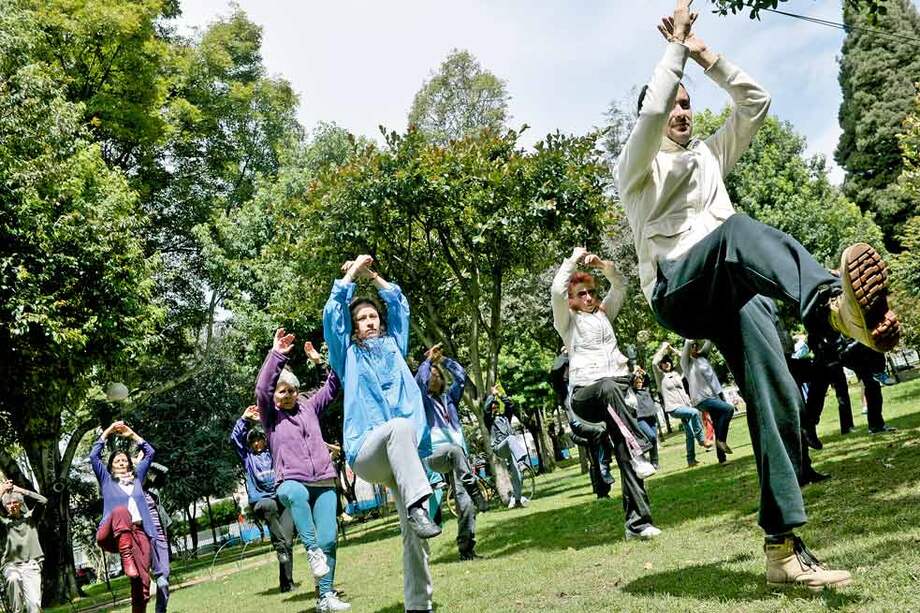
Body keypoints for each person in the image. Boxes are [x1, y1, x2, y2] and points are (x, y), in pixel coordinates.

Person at [617, 0, 899, 588]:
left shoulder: (709, 158)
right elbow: (647, 115)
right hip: (679, 290)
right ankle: (831, 306)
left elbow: (755, 102)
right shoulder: (638, 170)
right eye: (674, 102)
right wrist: (673, 54)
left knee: (778, 396)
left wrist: (704, 56)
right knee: (737, 231)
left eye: (688, 103)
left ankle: (782, 549)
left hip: (735, 284)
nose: (681, 111)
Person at [324, 254, 439, 613]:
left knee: (414, 537)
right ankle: (421, 503)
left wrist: (372, 276)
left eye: (373, 316)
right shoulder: (347, 356)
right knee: (399, 426)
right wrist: (352, 274)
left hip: (404, 456)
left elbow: (399, 304)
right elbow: (332, 315)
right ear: (354, 327)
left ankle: (419, 605)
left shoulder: (394, 346)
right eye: (362, 318)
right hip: (368, 453)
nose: (370, 322)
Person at [551, 247, 660, 540]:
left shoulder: (604, 315)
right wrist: (573, 260)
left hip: (617, 397)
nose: (588, 297)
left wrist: (601, 265)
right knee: (610, 389)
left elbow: (621, 284)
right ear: (572, 300)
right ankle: (641, 443)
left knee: (626, 456)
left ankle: (638, 525)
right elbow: (556, 291)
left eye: (591, 292)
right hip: (587, 394)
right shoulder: (567, 323)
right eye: (581, 294)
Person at [255, 331, 351, 612]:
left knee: (330, 539)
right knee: (295, 494)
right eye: (281, 391)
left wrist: (320, 361)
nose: (287, 395)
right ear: (274, 396)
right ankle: (311, 551)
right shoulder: (270, 416)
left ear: (298, 391)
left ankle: (325, 596)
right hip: (290, 480)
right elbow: (262, 388)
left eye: (291, 390)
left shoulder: (309, 407)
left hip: (323, 479)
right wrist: (277, 354)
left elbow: (332, 385)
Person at [415, 344, 488, 561]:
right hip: (435, 455)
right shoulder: (422, 401)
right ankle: (474, 486)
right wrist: (428, 361)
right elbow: (419, 380)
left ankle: (466, 549)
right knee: (454, 451)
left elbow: (462, 377)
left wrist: (443, 360)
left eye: (438, 373)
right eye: (432, 374)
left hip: (458, 460)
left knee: (465, 505)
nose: (434, 376)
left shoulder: (450, 399)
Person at [229, 406, 297, 597]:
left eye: (260, 439)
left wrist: (263, 420)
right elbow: (235, 439)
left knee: (288, 542)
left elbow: (278, 433)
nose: (257, 443)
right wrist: (244, 419)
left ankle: (287, 583)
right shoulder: (247, 458)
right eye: (253, 441)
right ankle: (279, 547)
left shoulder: (274, 452)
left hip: (281, 499)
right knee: (278, 533)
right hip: (262, 502)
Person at [90, 421, 156, 612]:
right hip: (110, 534)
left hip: (138, 532)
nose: (122, 462)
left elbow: (150, 453)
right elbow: (94, 456)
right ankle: (126, 558)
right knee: (120, 511)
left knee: (142, 585)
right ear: (110, 466)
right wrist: (109, 431)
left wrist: (131, 434)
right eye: (117, 461)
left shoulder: (137, 478)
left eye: (124, 460)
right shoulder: (106, 480)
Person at [652, 342, 711, 467]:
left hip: (686, 405)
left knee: (689, 433)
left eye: (668, 361)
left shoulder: (678, 372)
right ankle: (702, 440)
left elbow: (684, 357)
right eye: (663, 362)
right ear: (661, 365)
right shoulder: (660, 377)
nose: (666, 363)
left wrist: (672, 349)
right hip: (673, 408)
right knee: (695, 413)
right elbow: (653, 363)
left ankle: (691, 460)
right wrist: (663, 348)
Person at [680, 340, 735, 464]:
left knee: (717, 425)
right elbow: (688, 342)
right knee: (729, 409)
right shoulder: (686, 363)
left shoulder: (702, 357)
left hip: (714, 396)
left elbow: (710, 340)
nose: (694, 348)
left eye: (696, 345)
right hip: (701, 399)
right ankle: (721, 440)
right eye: (692, 346)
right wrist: (689, 338)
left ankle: (722, 459)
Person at [0, 479, 47, 613]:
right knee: (13, 578)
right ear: (5, 506)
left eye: (15, 502)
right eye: (9, 503)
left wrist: (21, 490)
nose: (12, 505)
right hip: (11, 565)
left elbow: (43, 501)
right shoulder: (4, 523)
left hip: (32, 564)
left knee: (34, 606)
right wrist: (2, 490)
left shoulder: (31, 518)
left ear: (20, 504)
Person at [133, 451, 171, 613]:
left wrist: (145, 462)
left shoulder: (152, 488)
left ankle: (160, 610)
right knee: (156, 578)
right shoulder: (130, 490)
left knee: (165, 577)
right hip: (144, 537)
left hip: (160, 535)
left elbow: (164, 471)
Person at [483, 387, 528, 508]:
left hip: (510, 449)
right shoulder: (489, 420)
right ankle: (522, 461)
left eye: (497, 407)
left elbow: (510, 405)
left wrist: (500, 395)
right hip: (499, 448)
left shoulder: (505, 417)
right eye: (493, 408)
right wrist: (492, 396)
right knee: (511, 438)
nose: (495, 409)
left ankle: (518, 500)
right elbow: (486, 409)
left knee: (517, 475)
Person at [631, 368, 660, 469]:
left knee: (654, 439)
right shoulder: (632, 392)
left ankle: (655, 462)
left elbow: (647, 380)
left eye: (640, 382)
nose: (639, 383)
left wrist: (644, 373)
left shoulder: (646, 388)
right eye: (636, 382)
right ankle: (642, 454)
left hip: (651, 416)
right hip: (640, 418)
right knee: (651, 436)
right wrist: (634, 373)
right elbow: (629, 381)